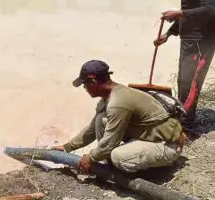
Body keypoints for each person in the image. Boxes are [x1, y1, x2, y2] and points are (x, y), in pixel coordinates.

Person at [52, 60, 186, 174]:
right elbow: (92, 130)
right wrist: (67, 147)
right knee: (101, 120)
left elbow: (111, 140)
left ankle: (143, 170)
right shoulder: (109, 98)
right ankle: (119, 161)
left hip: (168, 145)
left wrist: (91, 158)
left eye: (85, 85)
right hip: (149, 137)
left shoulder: (118, 103)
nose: (85, 89)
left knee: (118, 157)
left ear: (93, 82)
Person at [154, 0, 215, 134]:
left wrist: (179, 13)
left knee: (192, 82)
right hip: (189, 40)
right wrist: (169, 34)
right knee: (183, 79)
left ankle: (186, 125)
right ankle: (183, 115)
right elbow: (189, 11)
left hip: (202, 41)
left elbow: (211, 9)